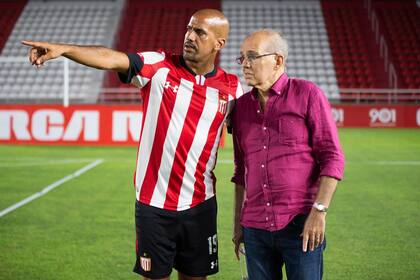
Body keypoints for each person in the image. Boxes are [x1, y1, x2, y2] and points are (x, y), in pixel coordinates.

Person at [23, 9, 243, 280]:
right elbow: (110, 58)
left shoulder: (232, 89)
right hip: (153, 205)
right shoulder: (160, 66)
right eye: (188, 28)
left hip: (200, 205)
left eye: (200, 32)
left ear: (219, 43)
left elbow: (249, 148)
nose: (189, 36)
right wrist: (64, 49)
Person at [230, 29, 345, 280]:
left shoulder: (308, 94)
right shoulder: (239, 108)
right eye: (242, 58)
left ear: (278, 60)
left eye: (252, 56)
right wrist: (238, 222)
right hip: (255, 228)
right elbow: (241, 172)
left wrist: (319, 211)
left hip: (302, 225)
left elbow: (333, 157)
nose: (245, 64)